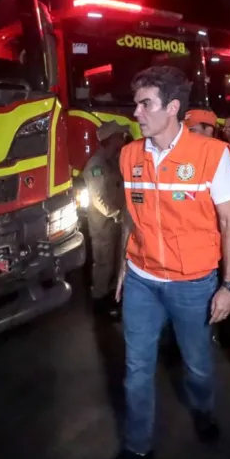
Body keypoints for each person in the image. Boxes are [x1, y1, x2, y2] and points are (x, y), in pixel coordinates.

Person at [100, 65, 230, 459]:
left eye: (146, 104)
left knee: (197, 364)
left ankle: (202, 410)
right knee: (136, 367)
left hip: (193, 283)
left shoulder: (210, 155)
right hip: (143, 279)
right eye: (136, 103)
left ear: (173, 107)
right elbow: (132, 215)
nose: (137, 112)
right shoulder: (130, 155)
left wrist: (229, 285)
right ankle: (137, 447)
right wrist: (127, 264)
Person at [83, 121, 128, 317]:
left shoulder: (113, 161)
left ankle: (112, 299)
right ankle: (99, 302)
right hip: (104, 226)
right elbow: (99, 199)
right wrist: (118, 214)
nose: (123, 139)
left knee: (116, 263)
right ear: (112, 139)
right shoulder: (96, 165)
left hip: (116, 223)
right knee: (103, 264)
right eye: (120, 135)